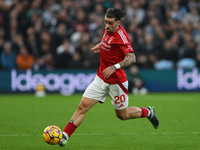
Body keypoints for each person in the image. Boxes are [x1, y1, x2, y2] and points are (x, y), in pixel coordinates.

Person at [58, 8, 159, 147]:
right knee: (82, 106)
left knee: (122, 116)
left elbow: (132, 57)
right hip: (101, 78)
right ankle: (65, 135)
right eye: (105, 22)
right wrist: (101, 45)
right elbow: (109, 42)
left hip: (117, 82)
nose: (107, 25)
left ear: (118, 23)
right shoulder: (108, 30)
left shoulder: (122, 36)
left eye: (110, 23)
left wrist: (115, 67)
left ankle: (148, 112)